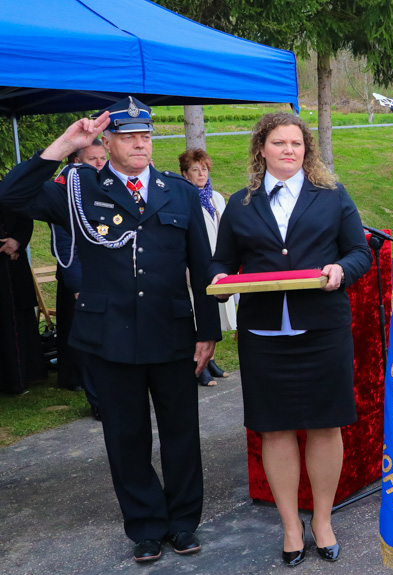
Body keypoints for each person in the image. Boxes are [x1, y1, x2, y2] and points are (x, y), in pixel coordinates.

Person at [0, 97, 221, 563]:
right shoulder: (79, 187)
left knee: (181, 431)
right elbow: (12, 196)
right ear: (107, 141)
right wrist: (64, 145)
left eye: (146, 135)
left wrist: (208, 331)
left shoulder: (177, 191)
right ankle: (145, 525)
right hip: (109, 334)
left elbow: (203, 266)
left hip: (171, 331)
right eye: (128, 136)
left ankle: (183, 523)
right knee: (125, 434)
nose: (140, 143)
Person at [209, 112, 372, 566]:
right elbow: (217, 262)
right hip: (264, 334)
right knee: (275, 428)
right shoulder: (241, 205)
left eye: (296, 144)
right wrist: (219, 277)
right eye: (279, 143)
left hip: (322, 330)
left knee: (325, 424)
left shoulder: (333, 196)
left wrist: (342, 270)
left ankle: (322, 520)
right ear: (261, 148)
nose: (288, 150)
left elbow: (359, 252)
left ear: (307, 150)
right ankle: (289, 527)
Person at [50, 140, 107, 418]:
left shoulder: (105, 187)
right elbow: (65, 244)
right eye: (92, 159)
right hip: (83, 281)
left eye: (102, 158)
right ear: (76, 162)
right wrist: (77, 286)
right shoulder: (67, 192)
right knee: (91, 343)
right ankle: (97, 400)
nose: (99, 163)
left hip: (109, 280)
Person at [178, 148, 236, 387]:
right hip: (195, 266)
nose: (201, 174)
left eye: (204, 169)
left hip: (217, 264)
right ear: (185, 174)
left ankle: (210, 359)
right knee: (198, 314)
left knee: (216, 314)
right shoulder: (182, 199)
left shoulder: (217, 198)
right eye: (195, 169)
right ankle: (197, 364)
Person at [0, 208, 47, 394]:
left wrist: (16, 242)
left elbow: (25, 218)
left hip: (12, 267)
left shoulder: (9, 192)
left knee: (15, 322)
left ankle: (16, 380)